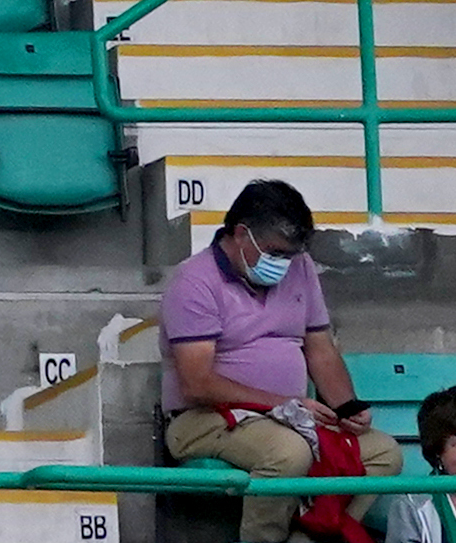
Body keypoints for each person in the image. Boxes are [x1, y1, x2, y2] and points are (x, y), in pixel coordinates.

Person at [156, 175, 392, 507]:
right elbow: (197, 384)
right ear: (240, 234)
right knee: (289, 453)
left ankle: (312, 541)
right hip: (204, 420)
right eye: (275, 253)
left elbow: (320, 349)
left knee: (383, 453)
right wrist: (283, 403)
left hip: (288, 416)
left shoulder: (300, 267)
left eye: (292, 255)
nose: (284, 264)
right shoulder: (194, 281)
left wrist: (348, 409)